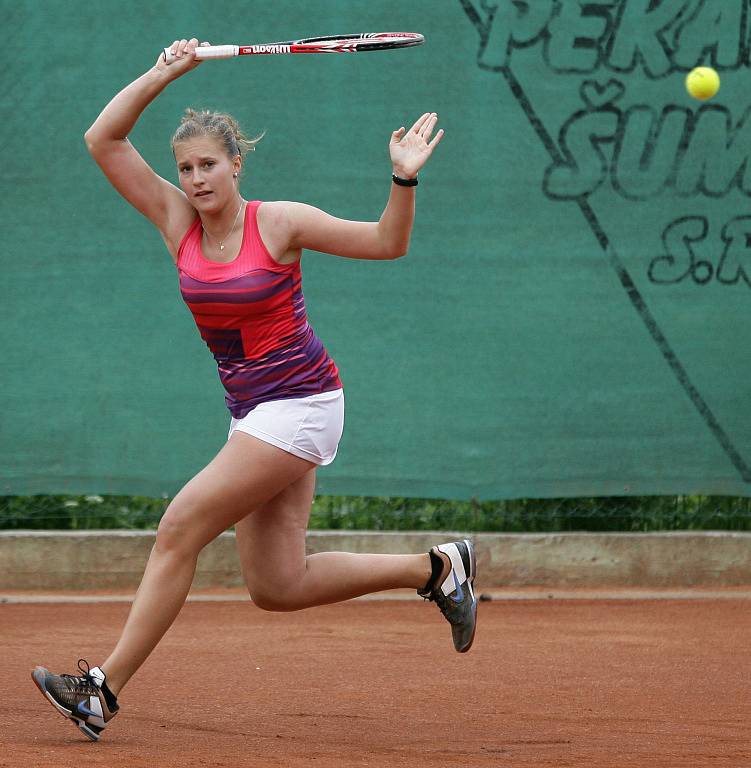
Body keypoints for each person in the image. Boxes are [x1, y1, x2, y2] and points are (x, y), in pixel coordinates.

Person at [31, 37, 477, 742]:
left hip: (301, 406)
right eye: (186, 167)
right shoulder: (176, 221)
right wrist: (162, 71)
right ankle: (436, 568)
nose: (197, 177)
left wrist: (402, 179)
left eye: (209, 164)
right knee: (276, 586)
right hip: (254, 415)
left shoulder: (280, 222)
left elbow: (387, 243)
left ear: (236, 164)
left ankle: (100, 690)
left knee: (180, 525)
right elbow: (103, 138)